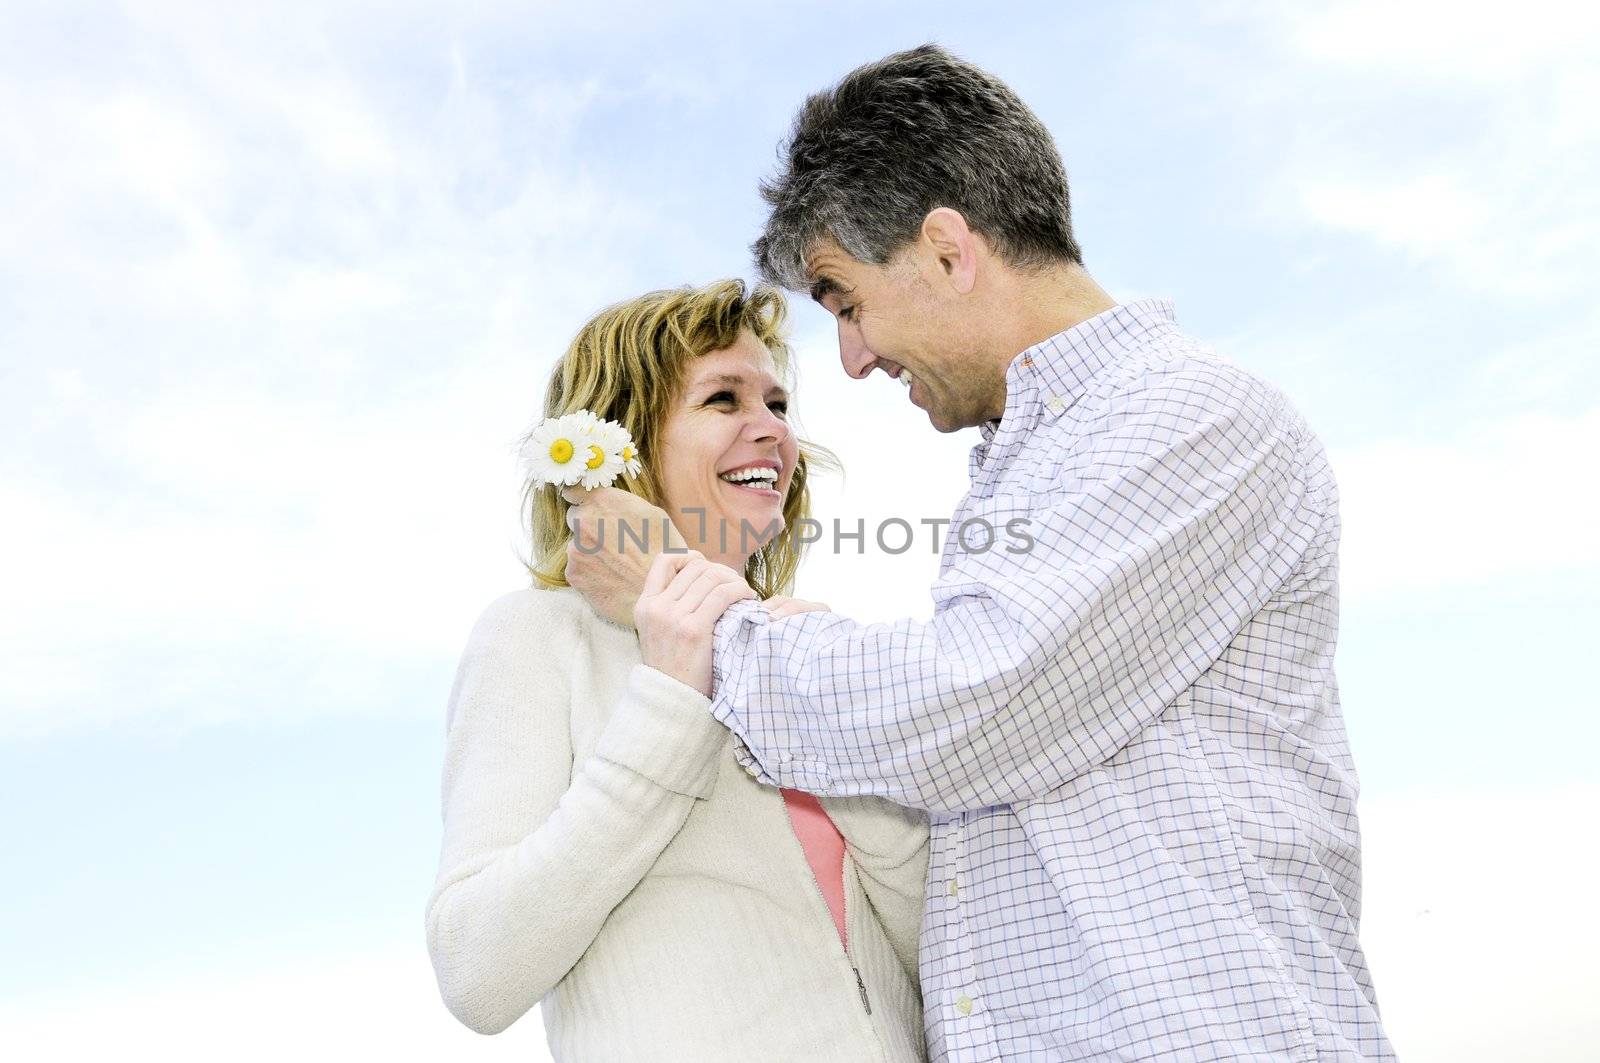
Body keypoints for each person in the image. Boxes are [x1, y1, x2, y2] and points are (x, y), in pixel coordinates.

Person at [562, 45, 1397, 1062]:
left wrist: (681, 600)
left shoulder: (1188, 417)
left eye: (843, 299)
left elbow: (976, 700)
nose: (855, 359)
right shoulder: (1041, 462)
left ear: (949, 251)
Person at [425, 279, 930, 1062]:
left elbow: (940, 946)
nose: (770, 431)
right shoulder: (537, 635)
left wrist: (808, 698)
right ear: (625, 441)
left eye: (779, 405)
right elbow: (478, 967)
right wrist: (669, 699)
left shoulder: (805, 649)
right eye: (723, 400)